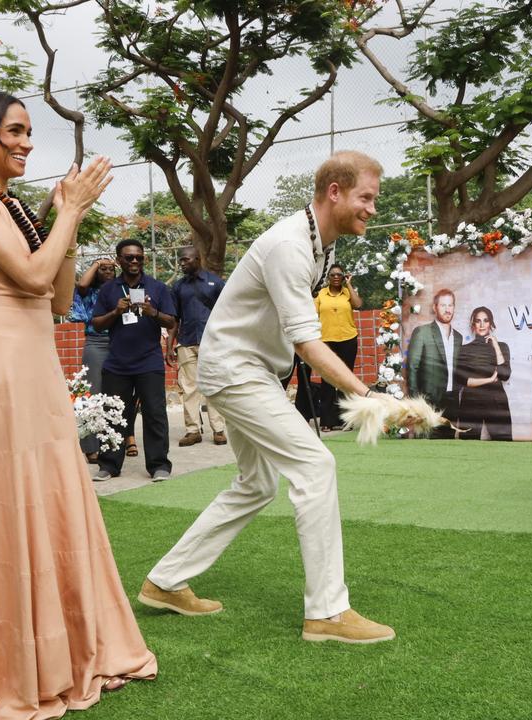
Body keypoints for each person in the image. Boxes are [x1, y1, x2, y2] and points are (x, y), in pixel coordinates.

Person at [0, 88, 155, 719]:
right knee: (6, 501)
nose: (27, 142)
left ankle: (65, 642)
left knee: (50, 493)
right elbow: (27, 278)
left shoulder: (10, 205)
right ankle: (12, 661)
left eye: (29, 132)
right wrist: (71, 213)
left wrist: (65, 220)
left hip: (34, 359)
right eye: (16, 131)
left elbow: (55, 298)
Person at [140, 150, 398, 645]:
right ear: (335, 192)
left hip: (248, 370)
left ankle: (166, 581)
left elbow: (293, 336)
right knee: (315, 465)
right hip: (238, 372)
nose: (372, 208)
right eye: (366, 198)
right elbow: (306, 340)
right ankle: (326, 612)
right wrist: (369, 393)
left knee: (257, 485)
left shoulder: (319, 245)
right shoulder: (290, 245)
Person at [90, 239, 177, 481]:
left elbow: (171, 322)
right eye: (129, 257)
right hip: (117, 363)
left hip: (149, 362)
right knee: (113, 414)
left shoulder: (157, 288)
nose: (135, 261)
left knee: (155, 414)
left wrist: (153, 313)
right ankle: (109, 465)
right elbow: (96, 324)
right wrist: (116, 312)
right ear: (119, 260)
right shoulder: (108, 290)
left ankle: (159, 465)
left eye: (139, 257)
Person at [169, 245, 227, 446]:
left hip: (212, 342)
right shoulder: (178, 287)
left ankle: (218, 429)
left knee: (213, 385)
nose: (182, 263)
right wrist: (170, 345)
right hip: (186, 342)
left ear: (197, 259)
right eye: (181, 260)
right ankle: (192, 430)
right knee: (189, 387)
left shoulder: (216, 283)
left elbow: (228, 313)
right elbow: (174, 319)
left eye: (185, 260)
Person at [68, 256, 118, 461]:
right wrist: (98, 262)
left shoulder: (119, 290)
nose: (108, 272)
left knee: (116, 394)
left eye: (111, 269)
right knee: (91, 394)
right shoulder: (88, 292)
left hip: (119, 342)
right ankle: (90, 447)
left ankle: (113, 442)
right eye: (102, 269)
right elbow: (82, 283)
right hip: (96, 343)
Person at [406, 288, 462, 437]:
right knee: (426, 447)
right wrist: (416, 404)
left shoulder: (458, 337)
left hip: (452, 401)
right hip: (428, 401)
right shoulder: (422, 332)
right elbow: (412, 367)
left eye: (450, 305)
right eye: (443, 305)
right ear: (435, 307)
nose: (447, 309)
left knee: (449, 445)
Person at [314, 263, 363, 431]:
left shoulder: (348, 293)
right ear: (328, 277)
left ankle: (346, 420)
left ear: (343, 277)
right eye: (333, 275)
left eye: (339, 275)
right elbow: (313, 314)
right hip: (326, 341)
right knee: (328, 379)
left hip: (348, 339)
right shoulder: (320, 294)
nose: (336, 277)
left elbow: (358, 305)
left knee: (346, 380)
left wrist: (349, 284)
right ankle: (327, 421)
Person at [453, 307, 513, 440]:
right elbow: (463, 380)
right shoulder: (464, 350)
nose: (481, 325)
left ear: (491, 323)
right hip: (471, 402)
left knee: (504, 444)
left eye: (485, 321)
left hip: (497, 402)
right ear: (473, 324)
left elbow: (504, 374)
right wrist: (490, 379)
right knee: (467, 447)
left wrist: (496, 345)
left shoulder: (502, 346)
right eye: (478, 321)